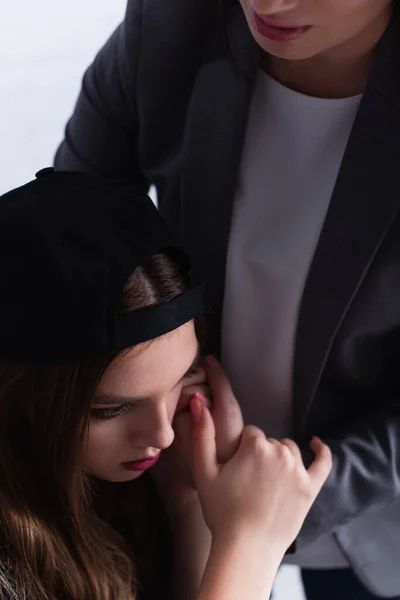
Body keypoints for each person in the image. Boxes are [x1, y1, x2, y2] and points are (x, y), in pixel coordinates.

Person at [53, 0, 400, 597]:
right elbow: (70, 242)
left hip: (372, 514)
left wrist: (281, 502)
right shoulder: (171, 25)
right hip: (162, 479)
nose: (267, 3)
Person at [0, 168, 331, 600]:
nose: (164, 434)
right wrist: (249, 545)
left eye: (181, 379)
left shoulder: (132, 491)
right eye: (111, 410)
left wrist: (190, 500)